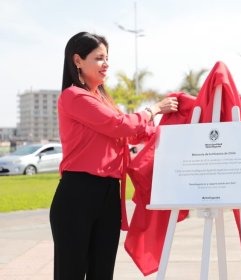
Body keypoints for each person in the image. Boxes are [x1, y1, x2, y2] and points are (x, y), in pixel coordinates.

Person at [49, 31, 178, 280]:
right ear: (77, 60)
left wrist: (172, 125)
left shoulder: (104, 100)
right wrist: (154, 109)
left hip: (109, 194)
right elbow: (120, 125)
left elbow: (132, 133)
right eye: (99, 58)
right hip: (78, 194)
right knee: (70, 273)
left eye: (107, 58)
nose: (106, 64)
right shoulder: (73, 97)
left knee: (103, 272)